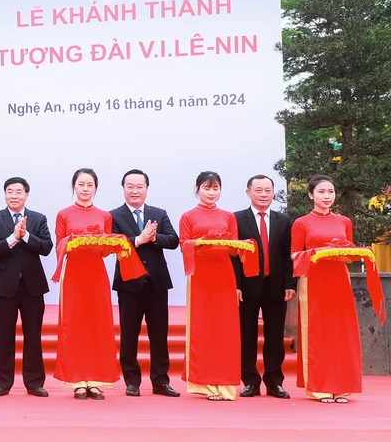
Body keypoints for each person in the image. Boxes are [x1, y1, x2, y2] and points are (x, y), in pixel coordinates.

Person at [291, 175, 386, 403]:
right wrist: (314, 253)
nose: (326, 196)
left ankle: (343, 386)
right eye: (321, 192)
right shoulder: (301, 223)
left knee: (342, 332)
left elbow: (348, 251)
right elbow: (294, 255)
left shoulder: (344, 221)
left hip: (339, 279)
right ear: (310, 195)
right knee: (319, 332)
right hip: (313, 280)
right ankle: (321, 386)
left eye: (330, 192)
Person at [53, 168, 143, 400]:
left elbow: (104, 251)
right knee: (74, 325)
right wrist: (73, 241)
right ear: (74, 186)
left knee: (98, 325)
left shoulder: (104, 216)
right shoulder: (64, 214)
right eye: (81, 184)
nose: (85, 189)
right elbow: (59, 245)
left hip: (96, 275)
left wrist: (110, 243)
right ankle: (77, 381)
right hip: (73, 275)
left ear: (96, 187)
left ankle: (95, 380)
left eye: (90, 185)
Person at [178, 171, 256, 402]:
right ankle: (205, 383)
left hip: (224, 275)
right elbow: (184, 246)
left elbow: (232, 249)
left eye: (215, 188)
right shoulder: (188, 216)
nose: (211, 193)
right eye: (206, 188)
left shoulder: (228, 217)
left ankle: (225, 384)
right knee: (202, 327)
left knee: (225, 329)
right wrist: (202, 242)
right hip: (200, 275)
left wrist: (241, 246)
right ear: (197, 189)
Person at [109, 169, 181, 398]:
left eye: (139, 186)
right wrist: (137, 240)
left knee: (159, 335)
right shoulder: (113, 216)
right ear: (123, 189)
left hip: (157, 283)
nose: (135, 190)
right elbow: (111, 244)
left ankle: (161, 381)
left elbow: (173, 240)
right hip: (129, 284)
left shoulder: (159, 214)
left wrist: (154, 238)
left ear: (147, 189)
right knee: (129, 335)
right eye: (130, 186)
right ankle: (132, 382)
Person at [0, 176, 53, 397]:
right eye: (9, 192)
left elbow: (46, 247)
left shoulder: (38, 218)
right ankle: (2, 382)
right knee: (4, 334)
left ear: (27, 195)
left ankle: (34, 383)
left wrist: (26, 236)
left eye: (18, 192)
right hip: (4, 286)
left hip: (32, 285)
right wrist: (13, 238)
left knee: (33, 335)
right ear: (5, 194)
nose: (14, 196)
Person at [233, 175, 294, 399]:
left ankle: (274, 382)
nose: (264, 194)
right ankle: (250, 381)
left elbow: (288, 255)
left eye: (268, 190)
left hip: (276, 286)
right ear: (248, 192)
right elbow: (234, 256)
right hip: (247, 286)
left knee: (275, 336)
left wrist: (290, 283)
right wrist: (236, 284)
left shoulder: (283, 220)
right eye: (258, 190)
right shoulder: (237, 219)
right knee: (247, 335)